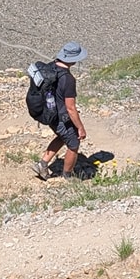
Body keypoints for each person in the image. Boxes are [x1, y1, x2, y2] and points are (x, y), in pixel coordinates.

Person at [32, 42, 90, 182]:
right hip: (60, 117)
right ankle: (67, 176)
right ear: (73, 59)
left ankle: (42, 164)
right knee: (74, 143)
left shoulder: (50, 67)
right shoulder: (68, 79)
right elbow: (70, 108)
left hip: (47, 113)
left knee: (63, 136)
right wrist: (80, 128)